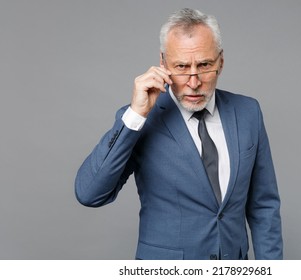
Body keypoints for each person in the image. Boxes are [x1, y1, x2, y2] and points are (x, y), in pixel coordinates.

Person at [75, 8, 283, 260]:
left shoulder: (248, 112)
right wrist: (135, 115)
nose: (193, 82)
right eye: (182, 67)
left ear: (221, 62)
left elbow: (264, 207)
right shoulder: (140, 119)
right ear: (163, 64)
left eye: (204, 65)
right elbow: (89, 193)